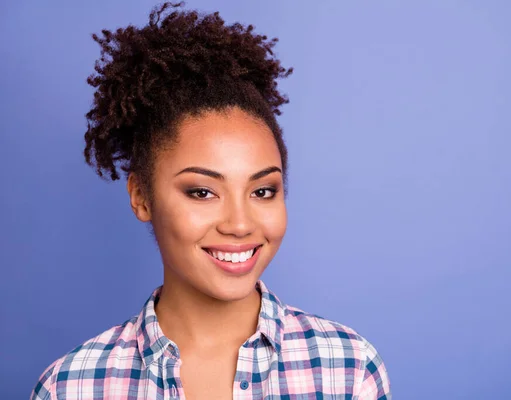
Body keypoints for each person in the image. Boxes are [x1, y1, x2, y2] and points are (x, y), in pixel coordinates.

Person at [30, 2, 391, 399]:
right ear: (140, 196)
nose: (239, 223)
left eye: (262, 191)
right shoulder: (74, 386)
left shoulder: (347, 368)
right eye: (202, 192)